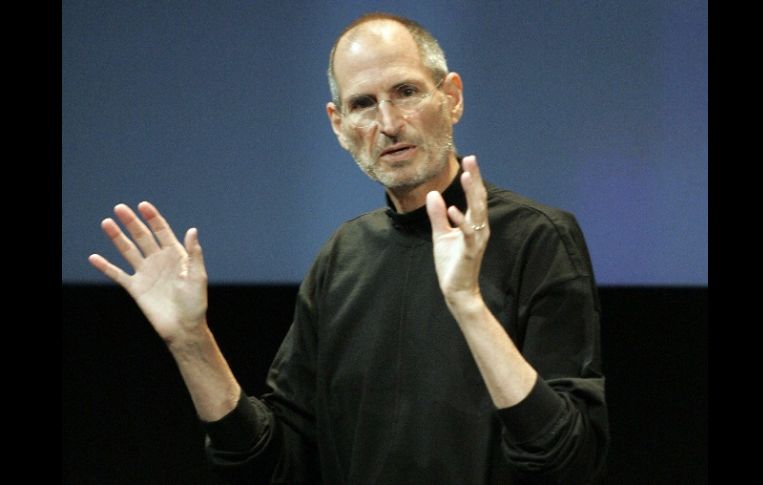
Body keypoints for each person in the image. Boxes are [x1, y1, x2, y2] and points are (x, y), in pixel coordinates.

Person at [89, 12, 609, 484]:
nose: (387, 123)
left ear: (451, 97)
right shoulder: (342, 260)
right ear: (339, 125)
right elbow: (275, 462)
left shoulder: (538, 238)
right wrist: (191, 341)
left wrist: (468, 306)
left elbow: (567, 458)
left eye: (406, 91)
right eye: (363, 104)